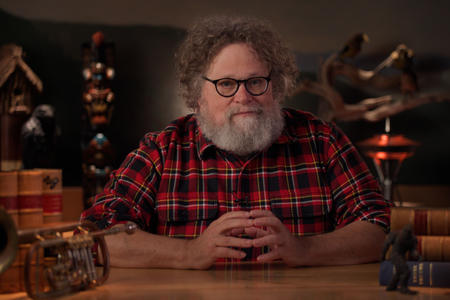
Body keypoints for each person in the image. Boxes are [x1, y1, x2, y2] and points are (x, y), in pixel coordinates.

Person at [81, 16, 391, 270]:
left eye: (256, 82)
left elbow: (380, 227)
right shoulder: (161, 150)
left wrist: (306, 248)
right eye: (226, 84)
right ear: (197, 95)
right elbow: (96, 234)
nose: (243, 97)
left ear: (277, 86)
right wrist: (188, 254)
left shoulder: (323, 141)